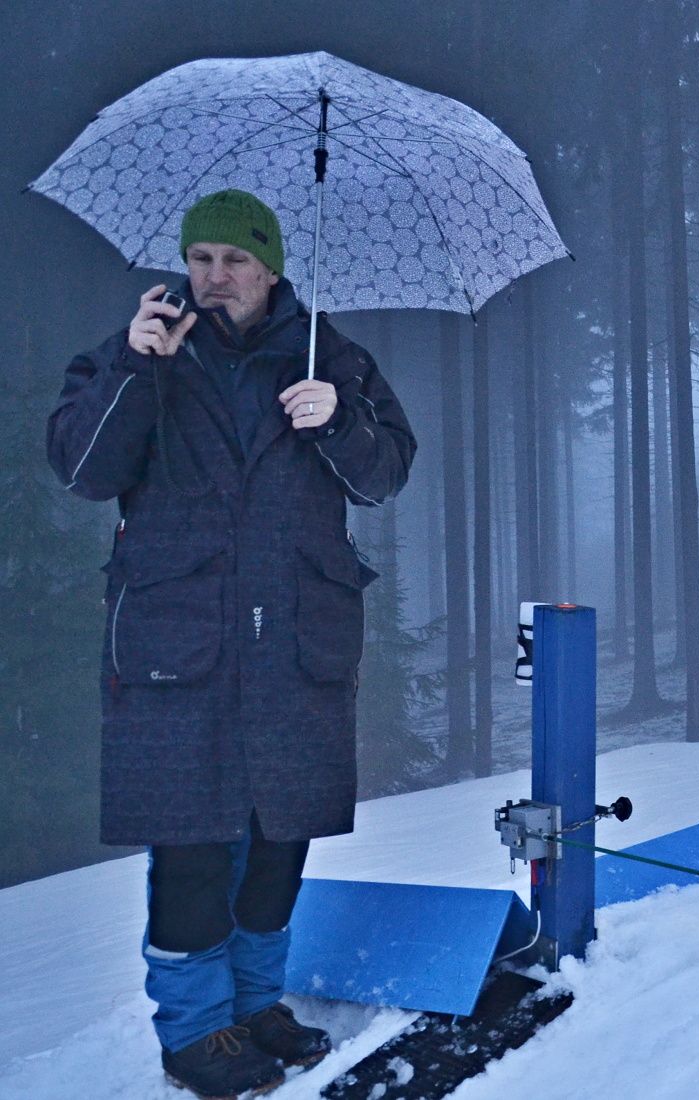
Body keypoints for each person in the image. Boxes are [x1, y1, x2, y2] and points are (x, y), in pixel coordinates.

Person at [45, 189, 417, 1098]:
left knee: (277, 839)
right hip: (177, 644)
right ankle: (195, 1033)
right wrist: (134, 369)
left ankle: (255, 1008)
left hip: (295, 638)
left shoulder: (332, 356)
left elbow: (385, 475)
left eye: (235, 259)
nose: (214, 276)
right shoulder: (140, 349)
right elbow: (84, 470)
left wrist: (339, 417)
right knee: (193, 846)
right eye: (201, 258)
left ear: (272, 268)